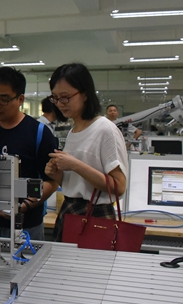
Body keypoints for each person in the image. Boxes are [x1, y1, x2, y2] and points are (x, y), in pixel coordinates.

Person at [0, 67, 58, 240]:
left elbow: (52, 182)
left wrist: (24, 206)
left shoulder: (38, 133)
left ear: (20, 99)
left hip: (27, 227)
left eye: (4, 100)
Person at [44, 64, 129, 242]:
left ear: (84, 94)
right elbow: (79, 185)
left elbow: (119, 187)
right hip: (70, 210)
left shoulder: (105, 129)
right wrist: (58, 175)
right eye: (55, 98)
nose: (60, 103)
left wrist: (75, 165)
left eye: (65, 97)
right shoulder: (73, 131)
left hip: (95, 217)